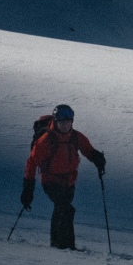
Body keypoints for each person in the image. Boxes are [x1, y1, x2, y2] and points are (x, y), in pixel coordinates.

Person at [21, 104, 106, 250]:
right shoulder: (46, 140)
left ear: (72, 121)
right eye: (62, 121)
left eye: (68, 121)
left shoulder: (76, 137)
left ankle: (60, 244)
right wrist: (28, 188)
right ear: (56, 120)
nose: (65, 124)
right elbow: (32, 162)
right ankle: (63, 246)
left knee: (63, 210)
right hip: (50, 180)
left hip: (69, 182)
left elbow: (88, 150)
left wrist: (98, 159)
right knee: (65, 209)